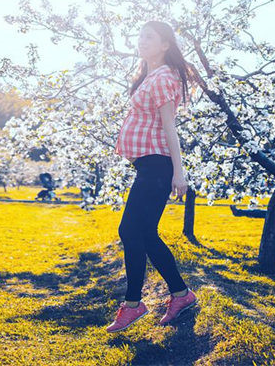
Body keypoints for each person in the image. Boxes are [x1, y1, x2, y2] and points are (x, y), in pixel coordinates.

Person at [106, 21, 198, 333]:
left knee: (131, 231)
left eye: (149, 37)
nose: (142, 40)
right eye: (140, 34)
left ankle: (134, 305)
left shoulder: (162, 77)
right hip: (149, 167)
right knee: (143, 233)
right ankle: (180, 295)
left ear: (165, 45)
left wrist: (179, 172)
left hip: (158, 166)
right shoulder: (149, 75)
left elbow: (170, 127)